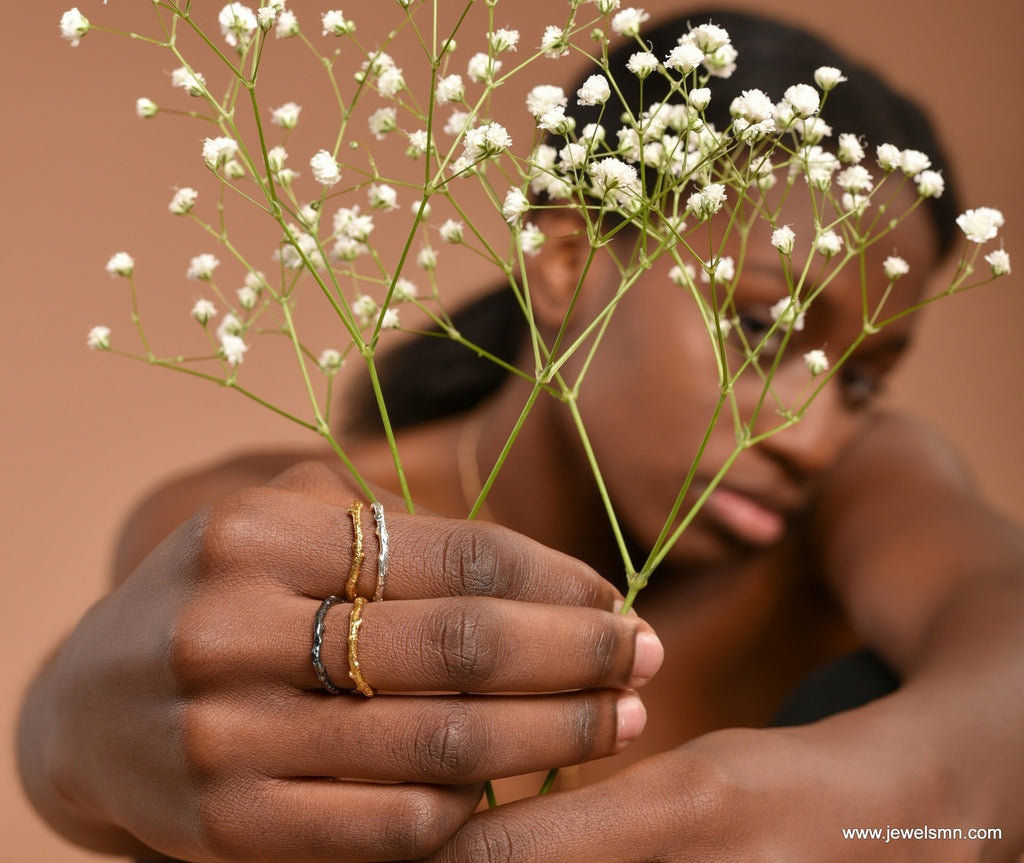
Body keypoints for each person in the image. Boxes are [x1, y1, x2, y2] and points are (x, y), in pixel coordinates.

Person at [18, 8, 1024, 862]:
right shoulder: (314, 508)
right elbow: (171, 631)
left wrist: (910, 801)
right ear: (566, 255)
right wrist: (61, 735)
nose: (810, 432)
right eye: (758, 326)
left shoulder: (856, 495)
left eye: (862, 378)